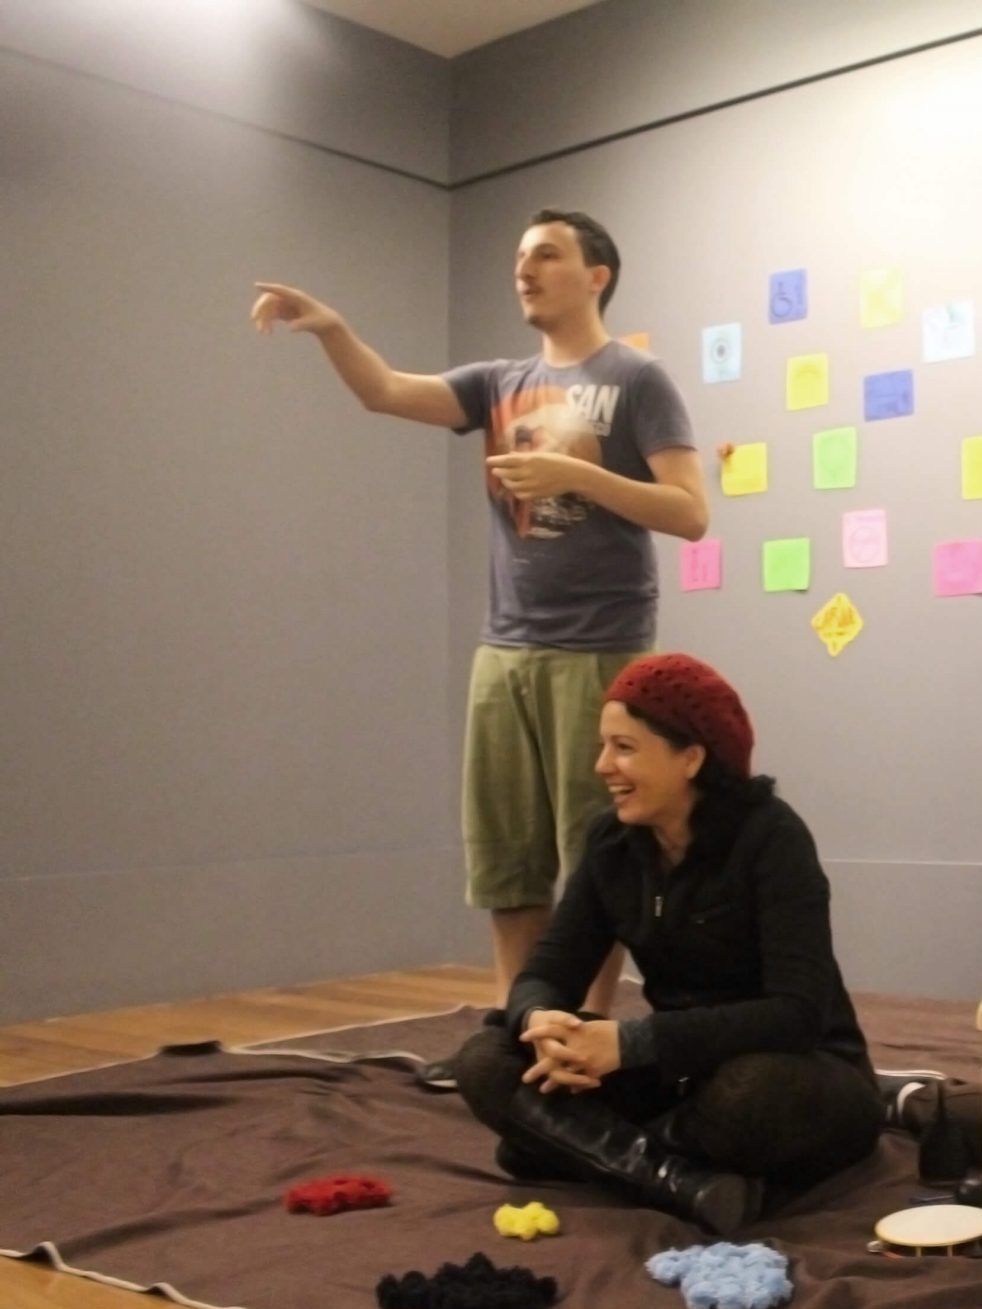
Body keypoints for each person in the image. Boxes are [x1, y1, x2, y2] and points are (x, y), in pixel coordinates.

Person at [251, 210, 713, 1087]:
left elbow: (690, 511)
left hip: (599, 650)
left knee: (595, 855)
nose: (524, 270)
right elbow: (386, 390)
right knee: (508, 857)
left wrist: (576, 475)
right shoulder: (500, 382)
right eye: (520, 257)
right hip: (505, 651)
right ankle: (516, 1026)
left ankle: (582, 1037)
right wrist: (334, 330)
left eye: (546, 255)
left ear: (597, 275)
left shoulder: (636, 378)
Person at [448, 654, 883, 1233]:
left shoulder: (773, 838)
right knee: (486, 1058)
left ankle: (572, 1147)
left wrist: (631, 1043)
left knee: (746, 1097)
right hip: (677, 1079)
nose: (602, 766)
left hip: (800, 1073)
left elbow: (796, 1014)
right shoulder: (611, 842)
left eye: (624, 747)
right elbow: (548, 971)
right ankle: (678, 1181)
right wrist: (541, 1019)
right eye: (603, 747)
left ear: (691, 758)